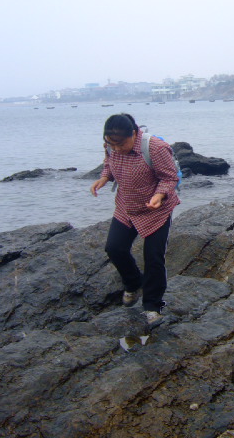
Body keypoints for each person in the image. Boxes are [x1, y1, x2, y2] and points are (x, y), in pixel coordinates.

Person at [90, 113, 180, 328]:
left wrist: (159, 195)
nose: (116, 148)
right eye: (111, 144)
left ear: (133, 134)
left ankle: (152, 306)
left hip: (156, 210)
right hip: (127, 207)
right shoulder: (112, 145)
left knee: (153, 258)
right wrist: (105, 177)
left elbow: (170, 177)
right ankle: (133, 283)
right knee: (114, 248)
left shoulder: (156, 148)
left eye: (120, 144)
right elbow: (108, 162)